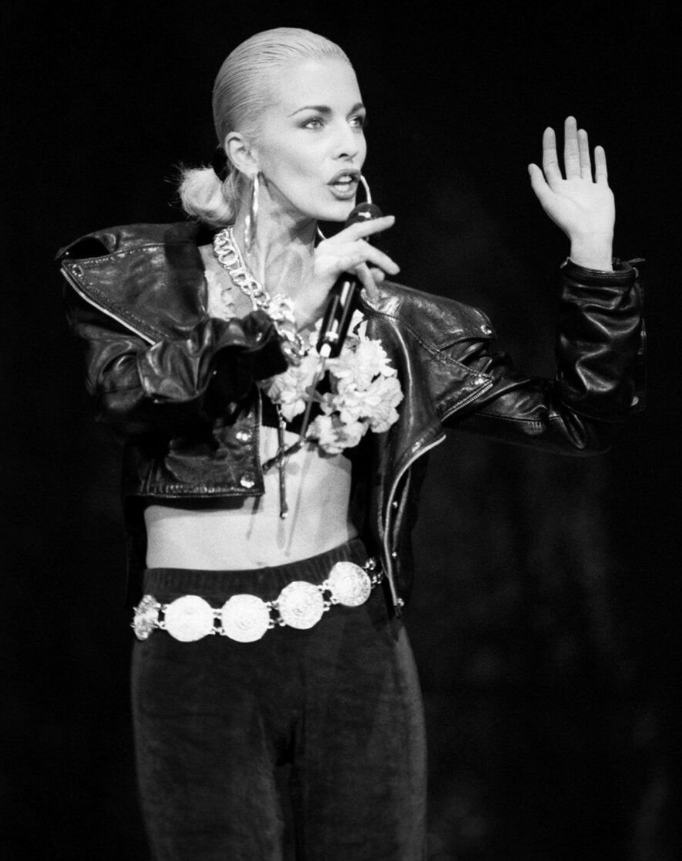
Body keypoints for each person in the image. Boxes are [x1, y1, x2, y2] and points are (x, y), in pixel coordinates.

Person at [58, 26, 644, 861]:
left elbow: (580, 419)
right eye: (314, 122)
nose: (348, 145)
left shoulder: (393, 315)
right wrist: (280, 311)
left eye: (356, 119)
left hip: (349, 644)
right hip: (196, 652)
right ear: (244, 151)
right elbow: (131, 398)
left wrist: (593, 257)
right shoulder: (137, 277)